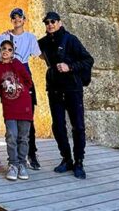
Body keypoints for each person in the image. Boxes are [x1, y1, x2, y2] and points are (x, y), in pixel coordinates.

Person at [38, 11, 94, 179]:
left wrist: (70, 67)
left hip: (72, 89)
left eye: (53, 21)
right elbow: (24, 45)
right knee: (58, 126)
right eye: (47, 22)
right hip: (54, 89)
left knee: (78, 126)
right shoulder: (43, 43)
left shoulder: (71, 40)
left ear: (59, 23)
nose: (50, 24)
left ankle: (79, 162)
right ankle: (66, 159)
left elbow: (88, 60)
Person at [0, 8, 42, 170]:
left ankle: (31, 154)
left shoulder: (30, 37)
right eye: (13, 17)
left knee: (28, 119)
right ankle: (15, 162)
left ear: (24, 19)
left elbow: (40, 54)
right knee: (12, 122)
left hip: (23, 73)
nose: (16, 19)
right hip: (8, 76)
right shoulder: (5, 37)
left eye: (19, 16)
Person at [0, 40, 33, 181]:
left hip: (24, 106)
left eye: (10, 49)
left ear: (13, 52)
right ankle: (13, 164)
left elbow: (29, 81)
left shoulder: (17, 64)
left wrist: (22, 91)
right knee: (11, 136)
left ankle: (22, 164)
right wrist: (6, 97)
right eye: (4, 48)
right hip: (10, 108)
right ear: (0, 50)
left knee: (23, 137)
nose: (6, 51)